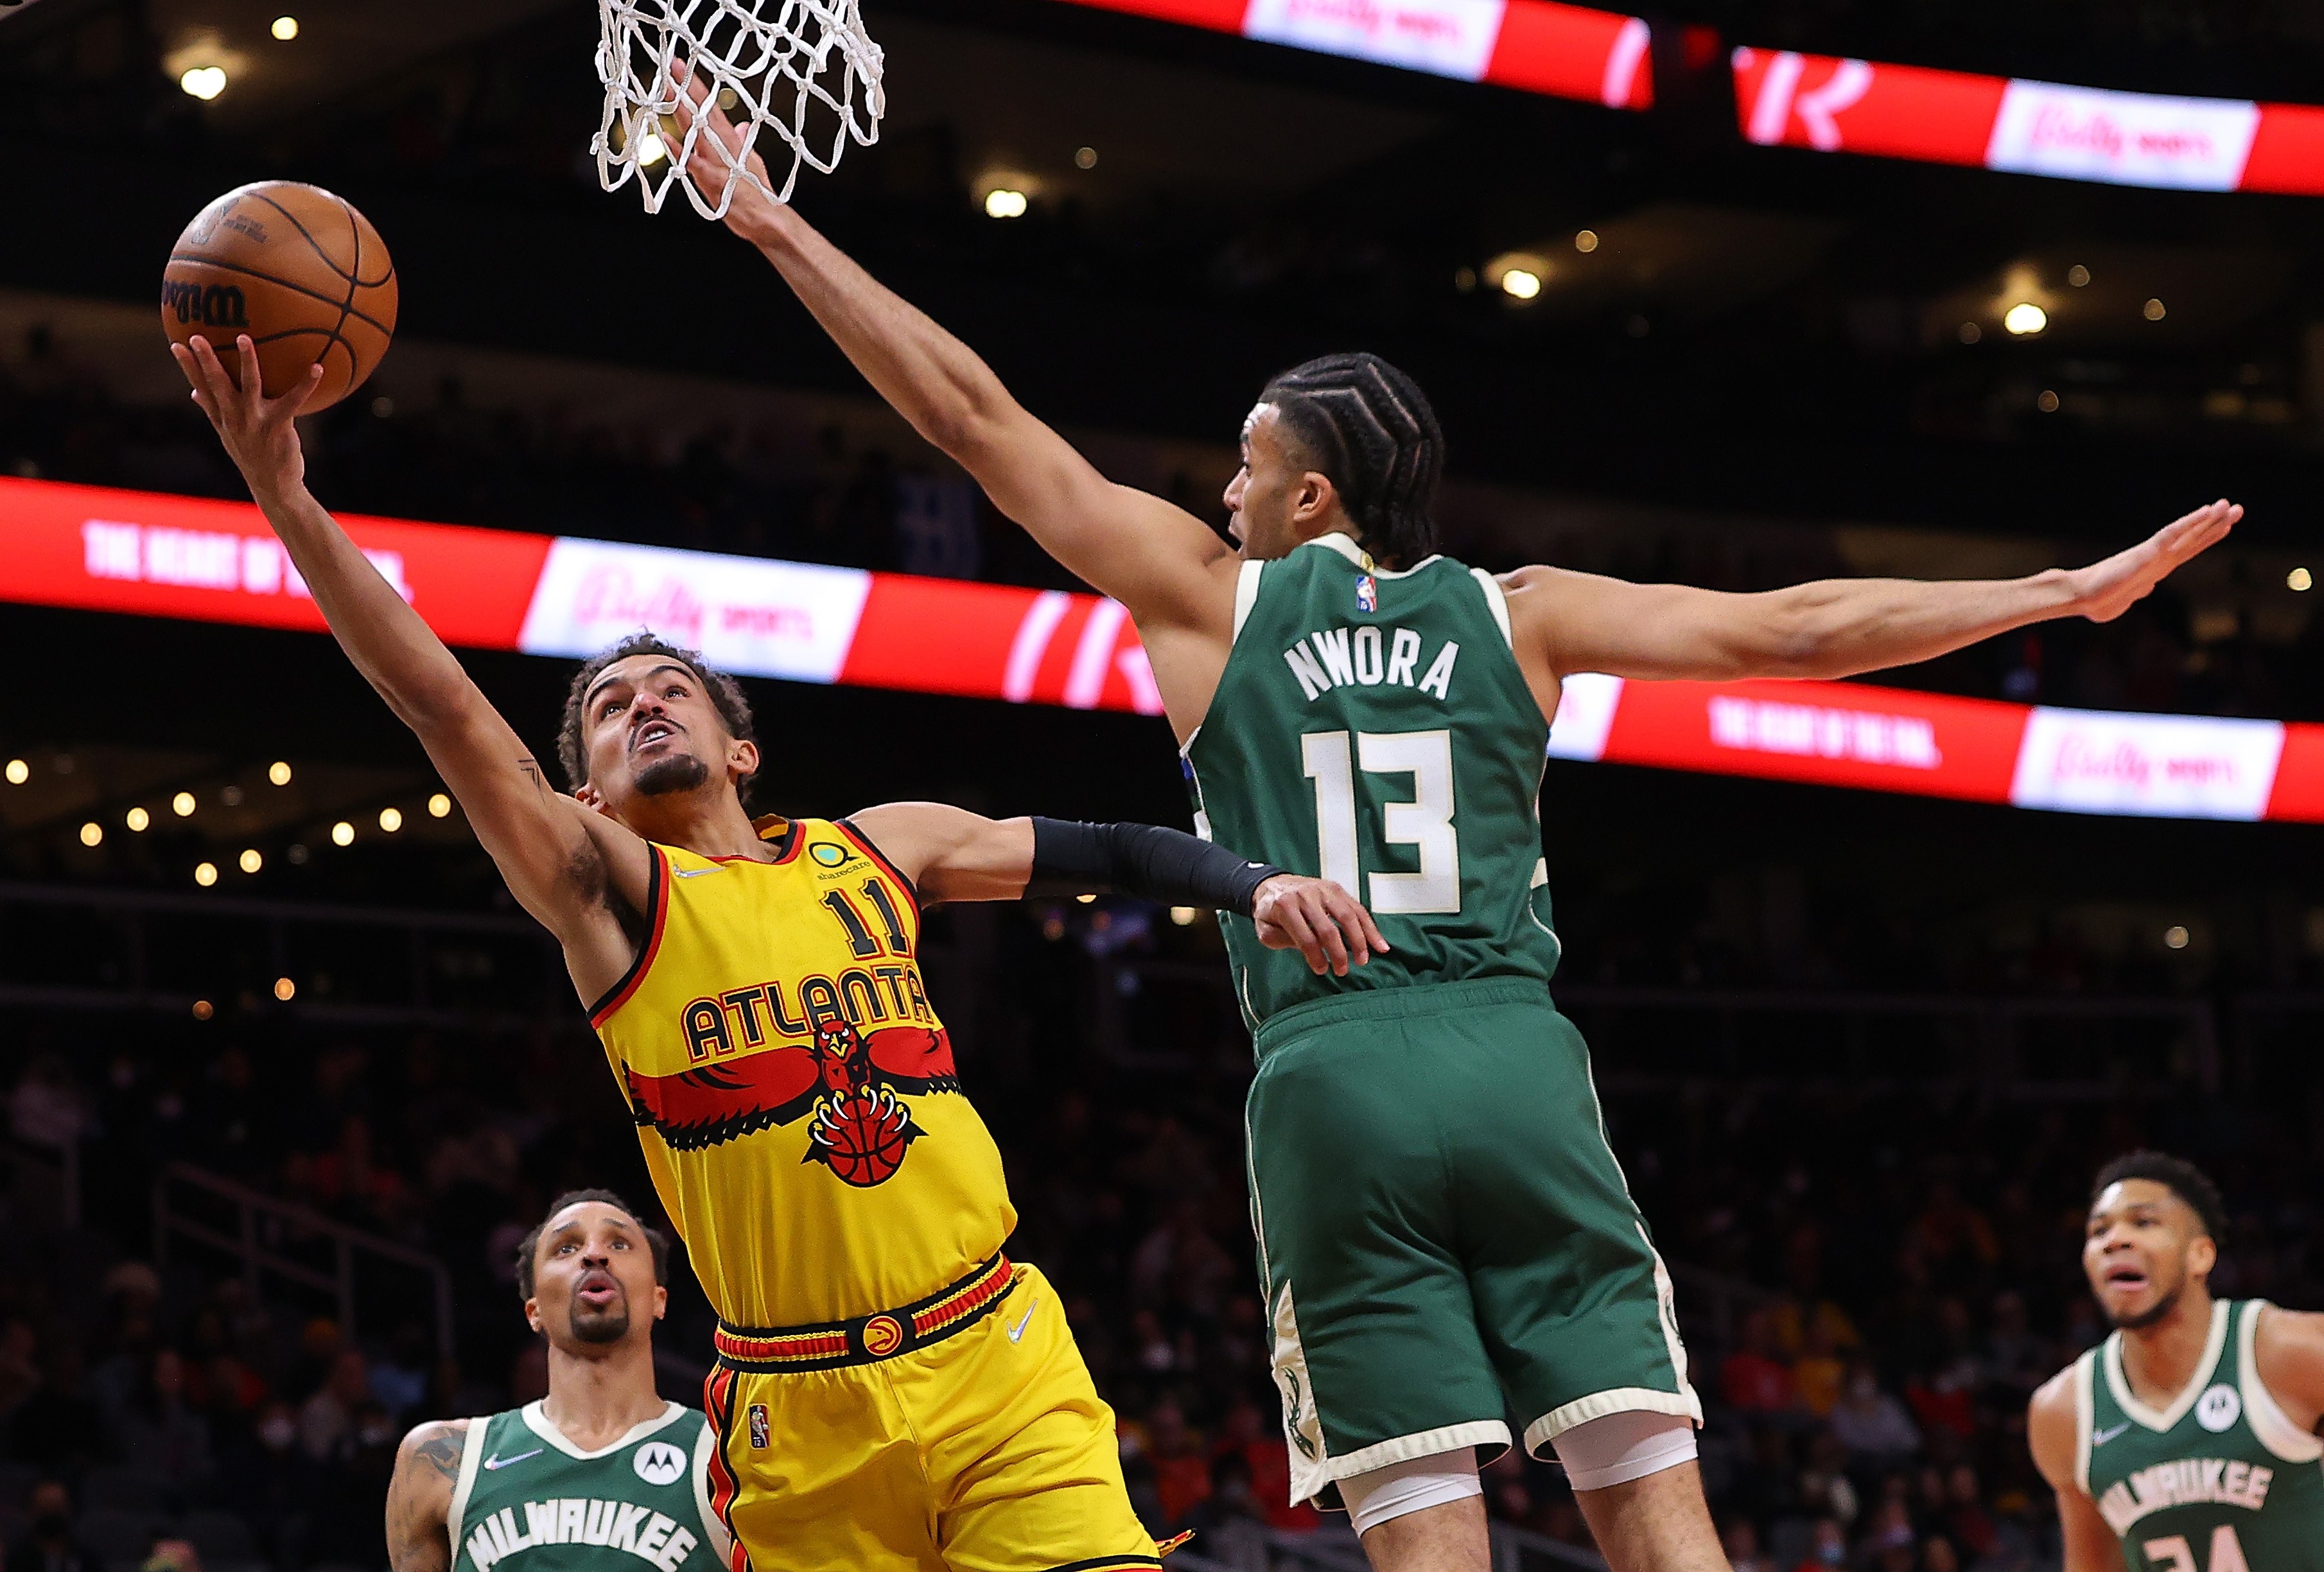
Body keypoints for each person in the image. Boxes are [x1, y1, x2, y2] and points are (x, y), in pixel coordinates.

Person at [657, 71, 2241, 1572]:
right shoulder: (1524, 614)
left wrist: (770, 220)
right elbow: (1800, 627)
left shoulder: (1212, 605)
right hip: (1516, 1062)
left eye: (1246, 467)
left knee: (1426, 1537)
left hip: (1335, 1076)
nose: (1220, 492)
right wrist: (2059, 591)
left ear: (1313, 502)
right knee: (1664, 1520)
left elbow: (975, 419)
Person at [173, 331, 1381, 1572]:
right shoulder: (608, 895)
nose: (642, 701)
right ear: (583, 793)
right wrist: (287, 499)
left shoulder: (878, 848)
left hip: (994, 1354)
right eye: (608, 707)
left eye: (670, 688)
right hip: (794, 1409)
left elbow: (1112, 849)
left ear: (742, 751)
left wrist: (1253, 880)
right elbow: (441, 703)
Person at [384, 1191, 728, 1571]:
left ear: (658, 1299)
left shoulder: (729, 1456)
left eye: (619, 1243)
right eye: (566, 1248)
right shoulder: (442, 1459)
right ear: (534, 1311)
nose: (595, 1255)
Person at [2027, 1152, 2324, 1572]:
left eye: (2143, 1222)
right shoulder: (2062, 1412)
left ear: (2199, 1256)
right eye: (2099, 1231)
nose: (2114, 1240)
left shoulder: (2291, 1352)